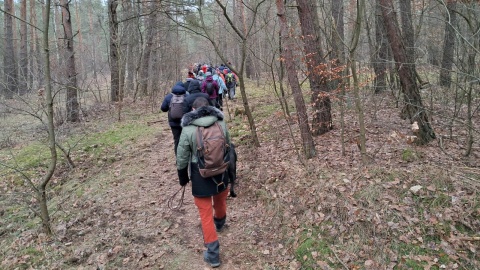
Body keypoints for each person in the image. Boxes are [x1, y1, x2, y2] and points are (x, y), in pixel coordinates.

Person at [176, 97, 231, 268]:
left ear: (193, 109)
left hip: (199, 174)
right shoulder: (221, 123)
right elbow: (228, 146)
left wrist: (182, 177)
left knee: (205, 214)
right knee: (220, 199)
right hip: (222, 171)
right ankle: (220, 223)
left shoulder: (188, 129)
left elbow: (182, 156)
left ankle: (213, 254)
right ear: (208, 108)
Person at [160, 81, 187, 155]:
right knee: (185, 139)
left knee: (177, 140)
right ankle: (185, 157)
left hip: (173, 122)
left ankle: (178, 158)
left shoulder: (169, 97)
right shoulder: (186, 96)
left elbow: (163, 109)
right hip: (184, 122)